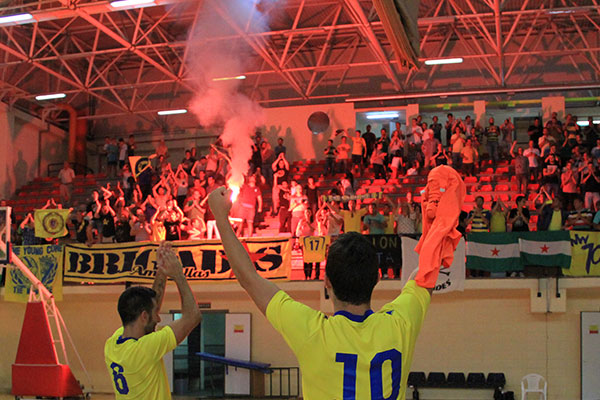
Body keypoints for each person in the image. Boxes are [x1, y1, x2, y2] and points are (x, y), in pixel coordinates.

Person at [207, 184, 450, 400]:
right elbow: (424, 274)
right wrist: (440, 225)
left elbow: (248, 278)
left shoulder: (312, 331)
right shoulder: (400, 324)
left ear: (326, 282)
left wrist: (220, 217)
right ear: (377, 278)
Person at [104, 242, 202, 399]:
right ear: (143, 316)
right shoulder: (145, 349)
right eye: (154, 314)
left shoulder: (112, 344)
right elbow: (193, 316)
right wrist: (178, 275)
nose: (158, 317)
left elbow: (150, 306)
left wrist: (161, 271)